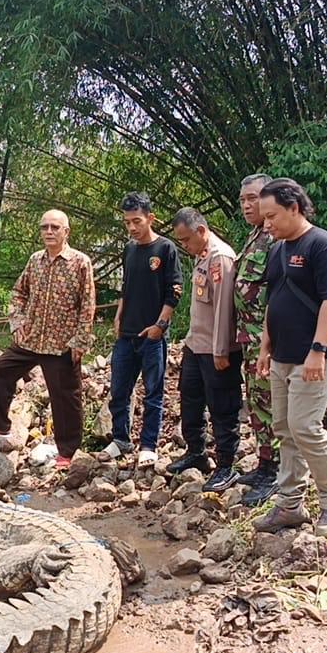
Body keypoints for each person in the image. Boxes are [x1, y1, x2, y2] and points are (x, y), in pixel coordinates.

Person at [251, 179, 327, 539]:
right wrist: (266, 345)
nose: (267, 225)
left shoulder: (323, 246)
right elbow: (273, 300)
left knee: (306, 427)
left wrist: (318, 350)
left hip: (313, 356)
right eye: (264, 218)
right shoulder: (278, 250)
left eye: (272, 216)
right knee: (285, 428)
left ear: (294, 207)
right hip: (282, 355)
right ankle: (290, 504)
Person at [0, 210, 95, 470]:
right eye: (44, 227)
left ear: (66, 232)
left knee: (65, 398)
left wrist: (80, 340)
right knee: (1, 370)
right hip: (31, 339)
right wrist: (17, 323)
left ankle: (68, 451)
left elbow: (88, 305)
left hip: (62, 343)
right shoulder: (35, 260)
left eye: (54, 227)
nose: (49, 232)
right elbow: (18, 292)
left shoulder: (80, 262)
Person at [100, 192, 182, 467]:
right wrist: (118, 315)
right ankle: (120, 439)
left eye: (137, 221)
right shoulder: (129, 249)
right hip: (127, 333)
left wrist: (160, 325)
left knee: (153, 391)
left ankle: (149, 445)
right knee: (119, 390)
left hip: (153, 335)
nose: (132, 228)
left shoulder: (166, 249)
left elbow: (174, 292)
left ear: (150, 218)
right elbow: (126, 286)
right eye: (127, 223)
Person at [168, 208, 243, 493]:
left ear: (201, 231)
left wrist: (221, 350)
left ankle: (226, 464)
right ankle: (196, 453)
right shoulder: (202, 255)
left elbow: (225, 308)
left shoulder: (220, 257)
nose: (185, 246)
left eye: (187, 239)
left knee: (222, 406)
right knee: (190, 400)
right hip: (196, 344)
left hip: (216, 349)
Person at [232, 173, 281, 506]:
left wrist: (267, 340)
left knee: (272, 402)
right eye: (243, 200)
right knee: (258, 403)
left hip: (267, 339)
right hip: (248, 338)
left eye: (253, 198)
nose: (248, 205)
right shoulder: (255, 236)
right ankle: (264, 463)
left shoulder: (276, 238)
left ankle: (277, 471)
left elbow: (276, 291)